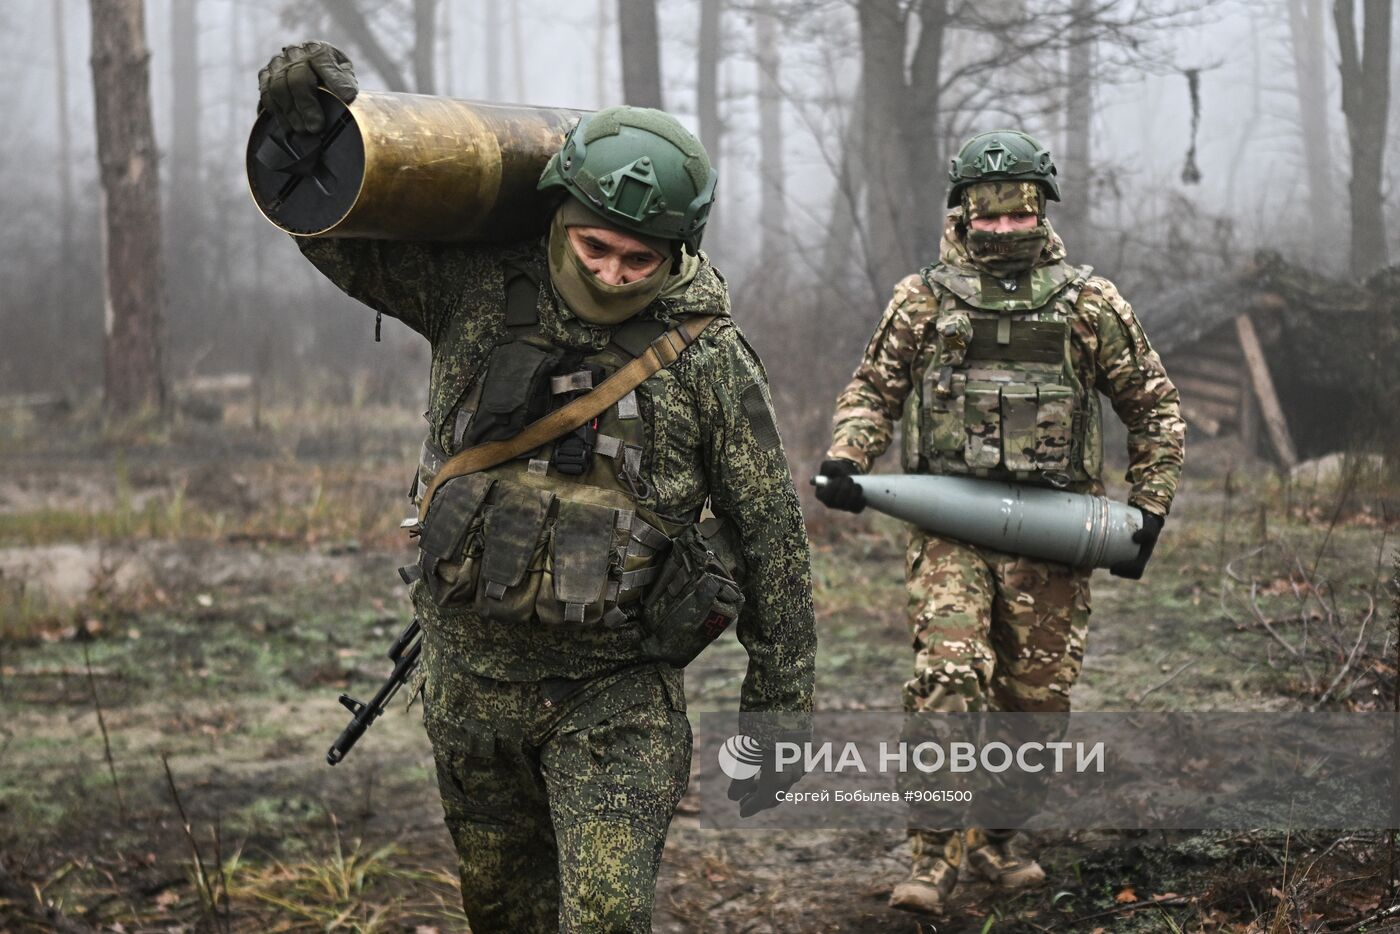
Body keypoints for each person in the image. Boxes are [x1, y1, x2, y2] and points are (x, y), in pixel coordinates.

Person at [258, 41, 816, 933]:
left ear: (679, 252)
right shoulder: (469, 288)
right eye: (596, 247)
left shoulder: (711, 357)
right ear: (557, 215)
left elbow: (770, 533)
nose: (612, 274)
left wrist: (780, 712)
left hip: (613, 702)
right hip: (468, 693)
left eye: (642, 261)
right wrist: (305, 124)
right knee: (504, 917)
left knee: (602, 918)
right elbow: (330, 226)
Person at [815, 129, 1185, 915]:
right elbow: (872, 391)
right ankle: (932, 855)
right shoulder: (924, 299)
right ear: (963, 214)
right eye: (992, 222)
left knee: (1035, 701)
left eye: (1021, 221)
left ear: (1042, 212)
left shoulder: (1089, 303)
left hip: (1053, 535)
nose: (1006, 235)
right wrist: (849, 457)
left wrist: (1148, 509)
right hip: (950, 525)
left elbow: (1154, 409)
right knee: (949, 676)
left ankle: (997, 838)